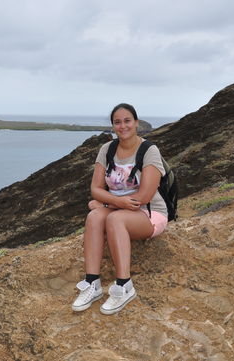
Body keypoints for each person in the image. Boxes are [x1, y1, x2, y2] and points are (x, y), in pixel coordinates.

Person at [72, 103, 169, 315]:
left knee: (113, 219)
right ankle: (92, 284)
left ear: (136, 123)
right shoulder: (107, 150)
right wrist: (107, 204)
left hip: (148, 213)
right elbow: (95, 189)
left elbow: (143, 196)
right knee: (94, 217)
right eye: (117, 122)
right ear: (113, 126)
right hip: (119, 208)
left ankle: (125, 286)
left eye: (127, 121)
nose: (122, 126)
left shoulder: (149, 150)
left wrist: (107, 203)